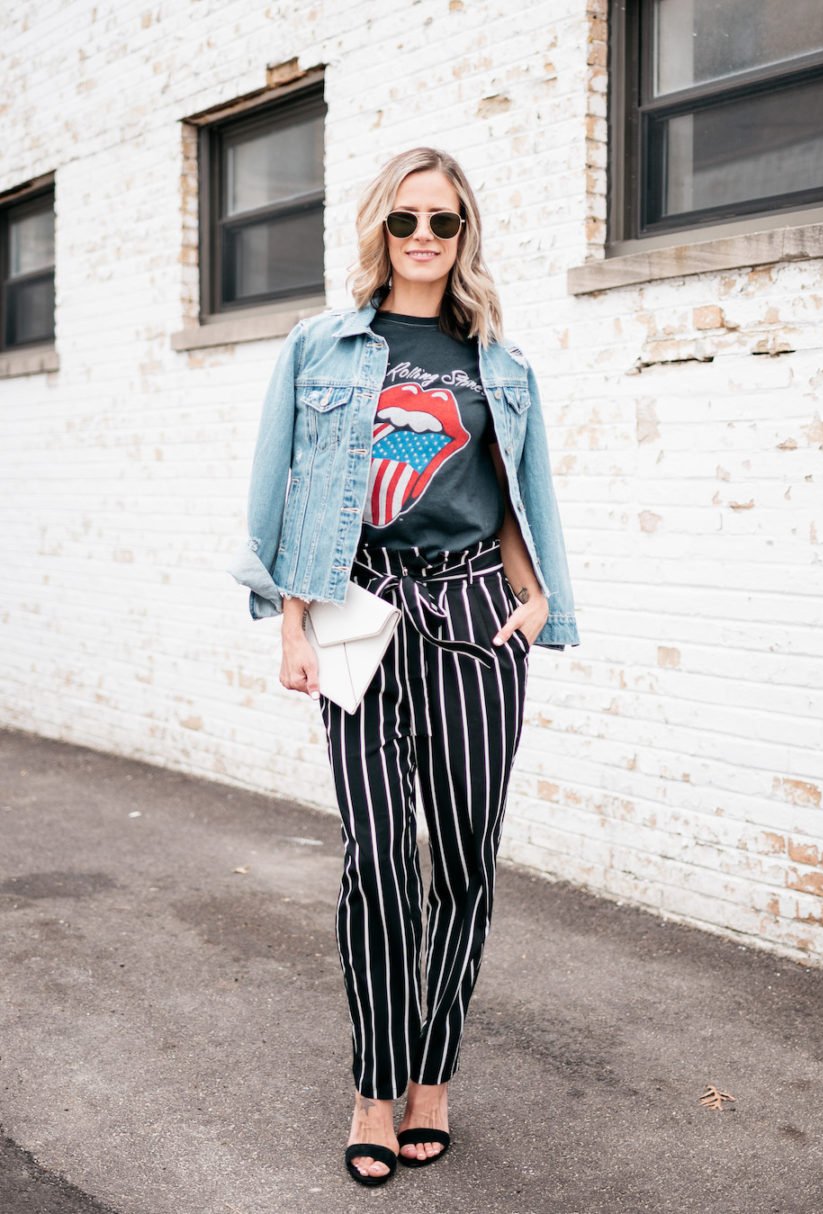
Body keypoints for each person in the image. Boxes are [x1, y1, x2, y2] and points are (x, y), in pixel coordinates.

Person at [228, 146, 579, 1187]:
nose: (425, 239)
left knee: (464, 856)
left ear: (466, 237)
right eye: (407, 221)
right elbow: (288, 491)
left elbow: (523, 497)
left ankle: (435, 1073)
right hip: (356, 612)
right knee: (378, 858)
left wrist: (539, 594)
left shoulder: (500, 366)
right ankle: (376, 1085)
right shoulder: (318, 348)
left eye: (446, 222)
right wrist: (290, 621)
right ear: (378, 229)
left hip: (475, 615)